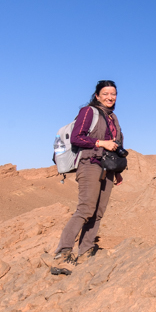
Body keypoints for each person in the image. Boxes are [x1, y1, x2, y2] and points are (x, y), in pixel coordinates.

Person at [52, 80, 124, 270]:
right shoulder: (89, 112)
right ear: (97, 96)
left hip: (108, 168)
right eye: (106, 93)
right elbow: (77, 137)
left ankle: (85, 252)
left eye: (113, 94)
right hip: (90, 164)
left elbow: (117, 145)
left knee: (98, 213)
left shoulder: (113, 117)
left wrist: (117, 171)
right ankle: (63, 252)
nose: (110, 97)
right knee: (85, 209)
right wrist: (101, 143)